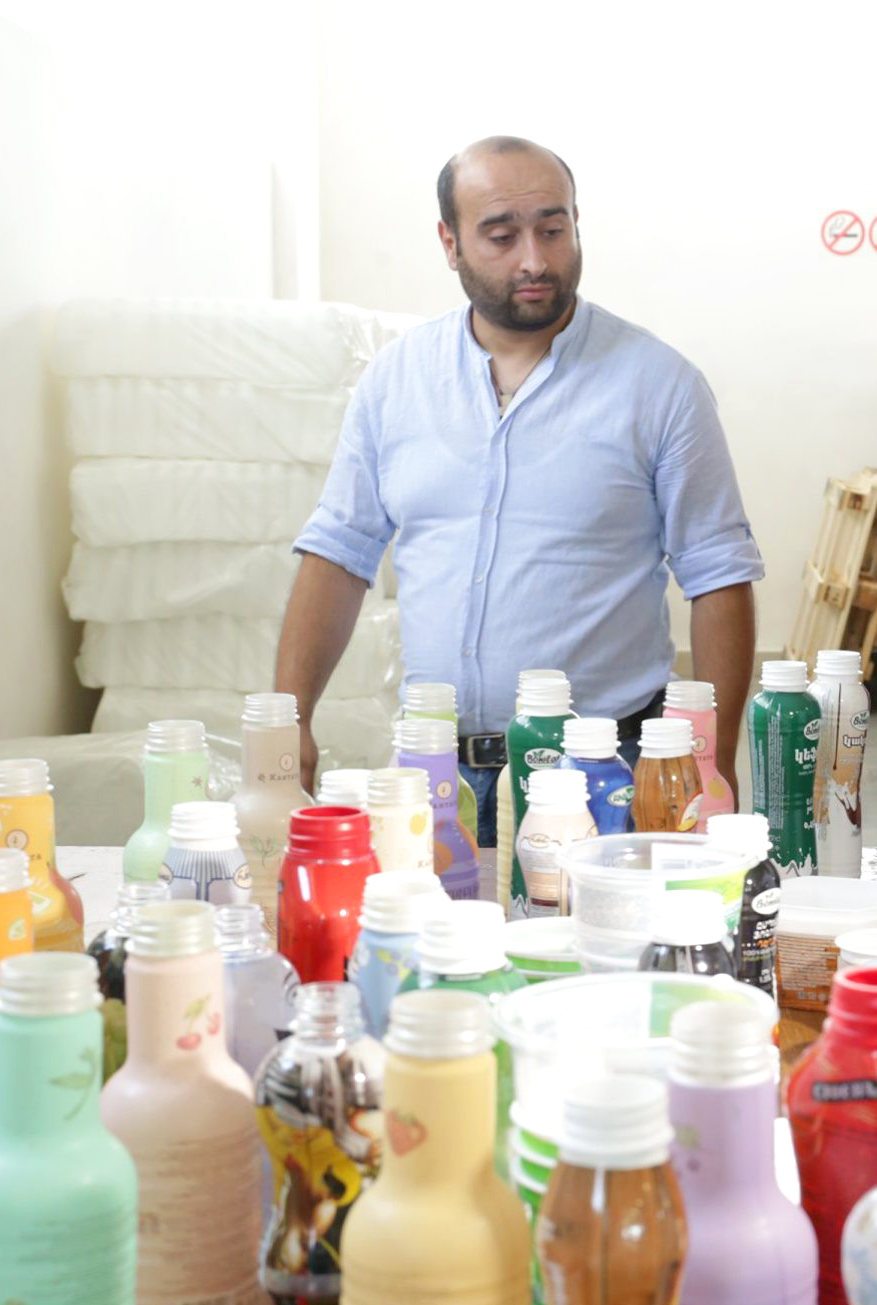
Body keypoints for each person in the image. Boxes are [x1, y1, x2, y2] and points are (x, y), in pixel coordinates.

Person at [278, 136, 762, 836]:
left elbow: (718, 576)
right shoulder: (397, 381)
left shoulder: (660, 385)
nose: (534, 259)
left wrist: (715, 758)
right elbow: (339, 553)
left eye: (553, 230)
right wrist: (291, 716)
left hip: (604, 776)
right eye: (502, 236)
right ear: (450, 243)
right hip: (435, 776)